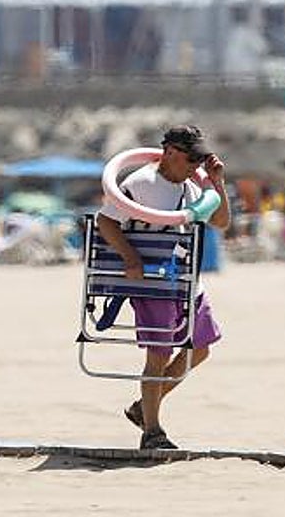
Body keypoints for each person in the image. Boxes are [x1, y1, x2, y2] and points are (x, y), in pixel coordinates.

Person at [96, 124, 230, 450]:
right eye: (191, 158)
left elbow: (221, 222)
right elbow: (105, 221)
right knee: (159, 355)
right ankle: (152, 432)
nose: (196, 165)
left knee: (200, 349)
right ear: (170, 152)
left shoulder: (192, 187)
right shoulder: (140, 183)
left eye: (200, 159)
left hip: (186, 282)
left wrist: (217, 183)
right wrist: (130, 259)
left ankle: (144, 407)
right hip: (152, 284)